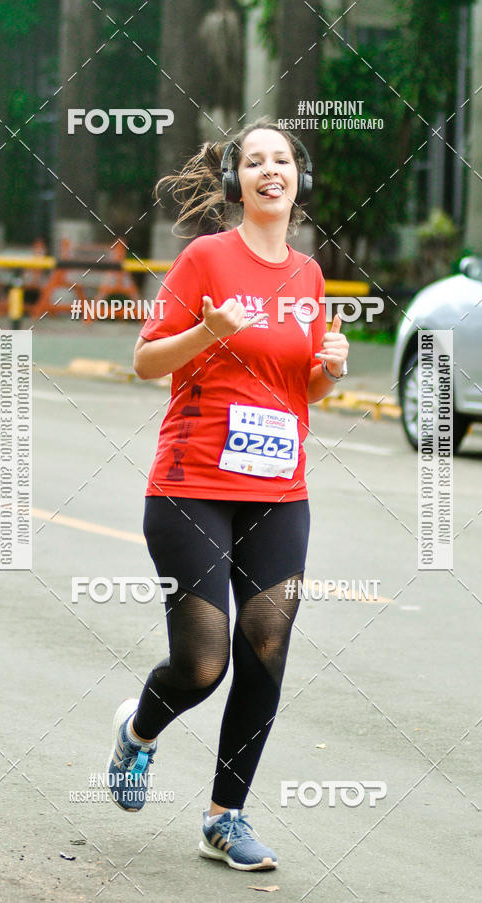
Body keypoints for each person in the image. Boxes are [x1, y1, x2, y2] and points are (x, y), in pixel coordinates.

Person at [107, 117, 349, 871]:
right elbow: (147, 361)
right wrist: (207, 333)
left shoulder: (308, 276)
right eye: (254, 161)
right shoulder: (206, 259)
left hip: (280, 490)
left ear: (299, 178)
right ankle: (139, 731)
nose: (270, 170)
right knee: (203, 662)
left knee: (267, 644)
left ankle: (225, 818)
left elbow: (300, 389)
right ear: (235, 183)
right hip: (192, 487)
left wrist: (329, 370)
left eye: (282, 159)